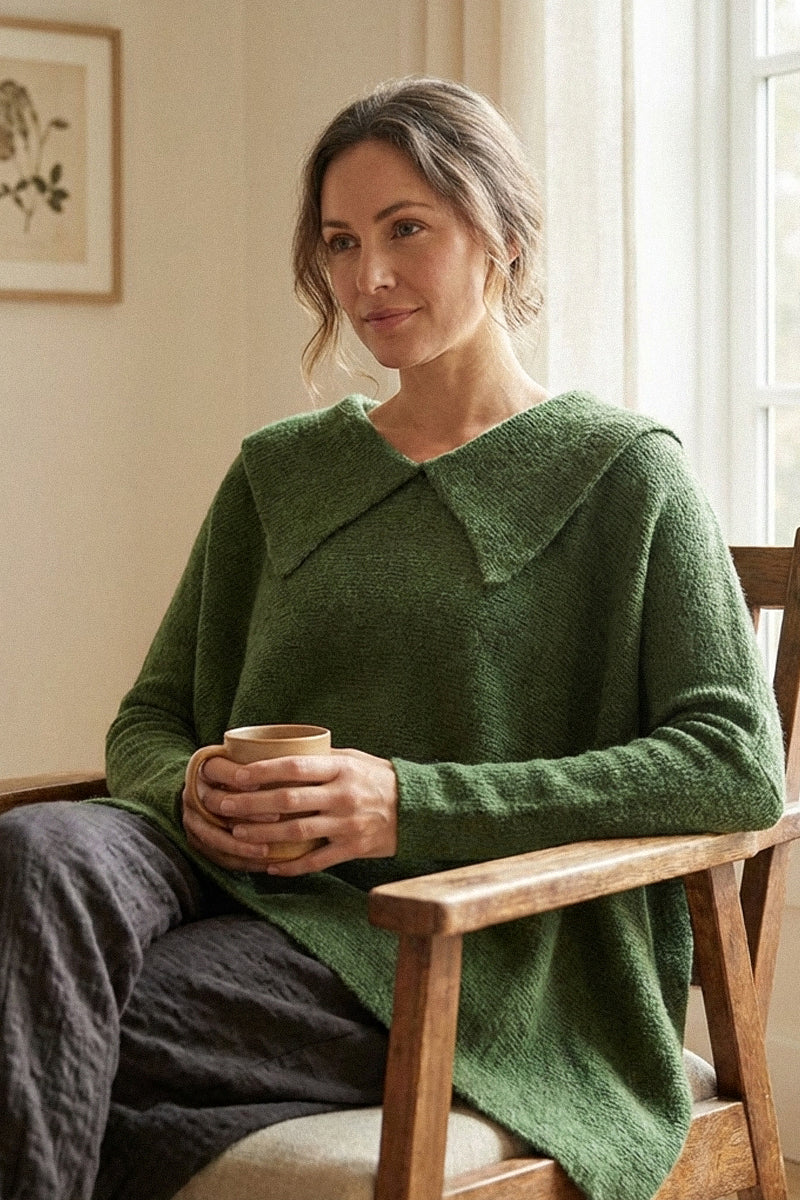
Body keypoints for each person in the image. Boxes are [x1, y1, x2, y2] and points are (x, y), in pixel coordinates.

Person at [0, 77, 785, 1200]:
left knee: (36, 1003)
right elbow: (149, 719)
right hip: (225, 891)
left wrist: (403, 804)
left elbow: (732, 765)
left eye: (405, 229)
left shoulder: (620, 474)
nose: (365, 278)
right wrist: (188, 787)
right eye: (337, 241)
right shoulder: (279, 470)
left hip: (465, 953)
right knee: (37, 856)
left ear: (501, 237)